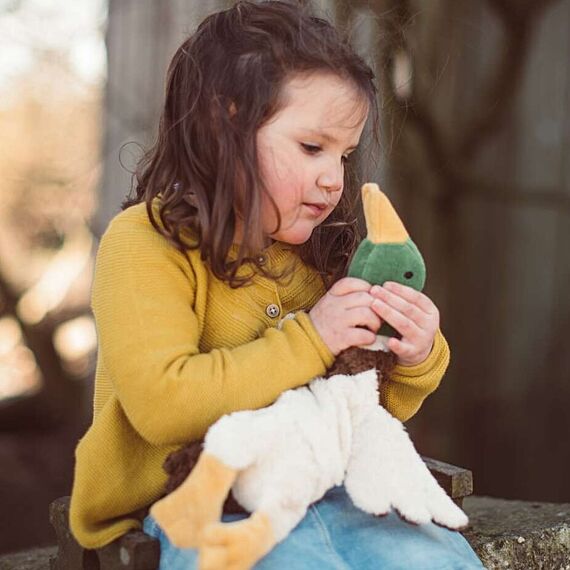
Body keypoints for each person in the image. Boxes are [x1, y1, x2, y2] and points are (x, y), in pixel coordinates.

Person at [69, 1, 484, 568]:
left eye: (343, 154)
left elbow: (353, 408)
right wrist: (313, 339)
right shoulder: (146, 242)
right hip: (193, 502)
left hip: (327, 487)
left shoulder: (321, 251)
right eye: (312, 148)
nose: (333, 179)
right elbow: (165, 405)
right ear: (224, 124)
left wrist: (413, 357)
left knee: (434, 560)